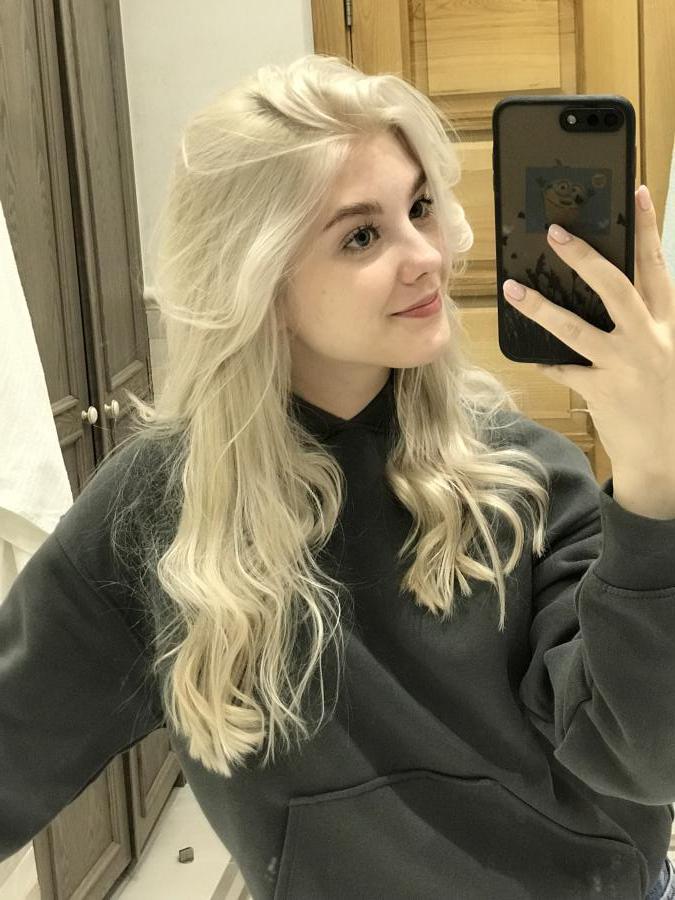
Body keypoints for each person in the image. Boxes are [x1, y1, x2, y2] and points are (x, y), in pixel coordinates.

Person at [2, 53, 675, 900]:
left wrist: (657, 475)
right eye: (361, 235)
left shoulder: (522, 471)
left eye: (419, 208)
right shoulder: (162, 508)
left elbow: (646, 756)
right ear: (259, 278)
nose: (427, 255)